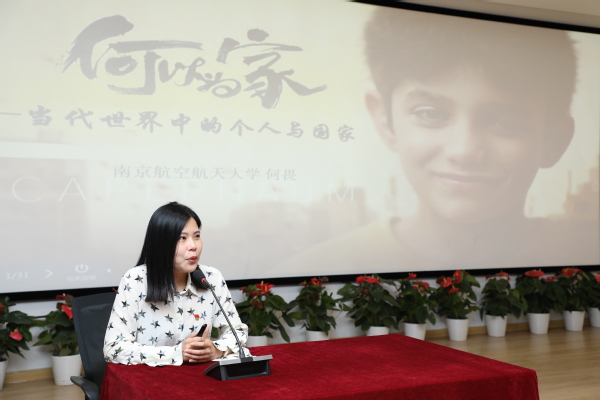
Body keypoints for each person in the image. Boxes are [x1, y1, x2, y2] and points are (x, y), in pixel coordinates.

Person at [276, 8, 598, 274]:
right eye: (430, 114)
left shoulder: (584, 258)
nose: (464, 151)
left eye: (504, 122)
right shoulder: (311, 269)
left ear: (555, 141)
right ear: (386, 121)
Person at [103, 201, 248, 366]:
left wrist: (215, 350)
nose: (193, 246)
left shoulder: (211, 277)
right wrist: (177, 353)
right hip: (150, 378)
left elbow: (237, 332)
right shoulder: (136, 280)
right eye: (182, 238)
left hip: (198, 376)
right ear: (161, 244)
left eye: (197, 236)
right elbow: (113, 349)